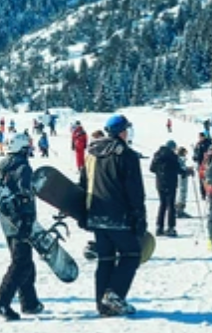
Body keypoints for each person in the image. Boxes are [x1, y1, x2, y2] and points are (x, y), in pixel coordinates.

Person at [85, 113, 147, 316]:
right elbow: (134, 189)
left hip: (96, 213)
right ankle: (114, 294)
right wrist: (139, 215)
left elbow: (84, 183)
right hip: (118, 215)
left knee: (106, 258)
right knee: (132, 254)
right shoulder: (126, 154)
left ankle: (103, 305)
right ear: (121, 132)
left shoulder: (92, 153)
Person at [0, 133, 42, 321]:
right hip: (20, 223)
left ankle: (30, 303)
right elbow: (25, 195)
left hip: (7, 223)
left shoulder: (4, 168)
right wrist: (27, 222)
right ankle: (2, 303)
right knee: (21, 264)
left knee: (25, 262)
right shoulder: (23, 168)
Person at [149, 140, 181, 237]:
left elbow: (151, 168)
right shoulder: (172, 156)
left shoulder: (158, 155)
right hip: (171, 183)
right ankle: (171, 227)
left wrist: (160, 172)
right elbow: (178, 169)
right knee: (171, 205)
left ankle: (159, 227)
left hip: (160, 183)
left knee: (162, 204)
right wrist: (186, 172)